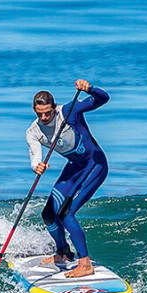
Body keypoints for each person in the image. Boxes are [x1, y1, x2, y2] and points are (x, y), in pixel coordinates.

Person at [26, 79, 109, 278]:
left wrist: (90, 89)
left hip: (94, 165)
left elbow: (103, 99)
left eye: (48, 112)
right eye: (40, 114)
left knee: (66, 213)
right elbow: (35, 155)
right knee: (48, 214)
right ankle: (63, 253)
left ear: (54, 107)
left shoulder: (69, 111)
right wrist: (37, 166)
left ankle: (85, 262)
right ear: (34, 111)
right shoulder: (33, 132)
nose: (44, 117)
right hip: (74, 168)